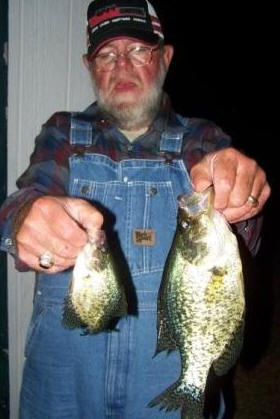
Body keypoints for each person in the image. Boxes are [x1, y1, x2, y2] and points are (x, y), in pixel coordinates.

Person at [0, 0, 270, 418]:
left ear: (165, 57)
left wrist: (244, 200)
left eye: (138, 51)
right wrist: (21, 218)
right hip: (61, 387)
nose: (121, 66)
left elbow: (243, 242)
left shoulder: (202, 139)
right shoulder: (62, 133)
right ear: (90, 66)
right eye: (107, 54)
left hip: (163, 383)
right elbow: (25, 197)